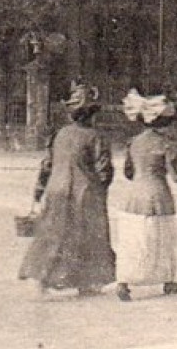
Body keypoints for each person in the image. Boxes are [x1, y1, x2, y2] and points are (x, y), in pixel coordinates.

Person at [18, 83, 115, 297]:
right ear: (92, 115)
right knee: (88, 237)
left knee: (53, 233)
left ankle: (40, 280)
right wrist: (102, 188)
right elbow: (104, 171)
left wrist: (38, 193)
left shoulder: (59, 135)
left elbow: (46, 166)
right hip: (86, 193)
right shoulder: (96, 137)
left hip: (56, 190)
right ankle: (87, 282)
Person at [114, 89, 177, 302]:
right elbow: (176, 176)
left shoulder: (133, 142)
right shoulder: (167, 143)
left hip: (134, 197)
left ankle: (124, 282)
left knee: (134, 239)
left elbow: (128, 173)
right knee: (160, 240)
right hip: (159, 195)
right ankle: (167, 280)